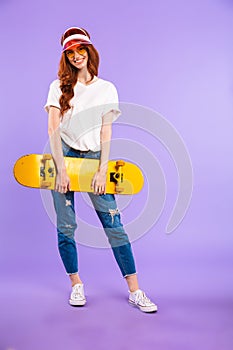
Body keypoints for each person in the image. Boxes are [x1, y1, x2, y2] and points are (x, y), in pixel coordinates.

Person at [44, 26, 157, 313]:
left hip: (95, 156)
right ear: (66, 56)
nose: (76, 56)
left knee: (114, 226)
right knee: (66, 226)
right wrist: (61, 168)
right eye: (70, 52)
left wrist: (101, 169)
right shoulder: (57, 87)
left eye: (80, 50)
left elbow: (106, 131)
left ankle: (135, 290)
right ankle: (76, 284)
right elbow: (53, 129)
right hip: (64, 155)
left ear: (89, 51)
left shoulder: (107, 88)